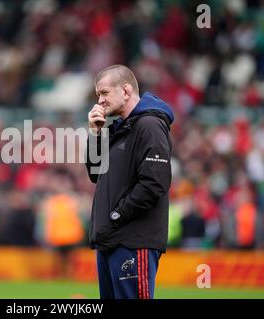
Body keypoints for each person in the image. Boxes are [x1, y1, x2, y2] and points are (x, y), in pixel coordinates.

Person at [85, 64, 174, 299]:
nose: (100, 101)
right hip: (110, 240)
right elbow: (95, 174)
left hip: (133, 241)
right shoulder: (118, 129)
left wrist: (116, 215)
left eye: (104, 93)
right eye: (98, 95)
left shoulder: (150, 125)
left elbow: (154, 183)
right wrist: (96, 134)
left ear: (126, 91)